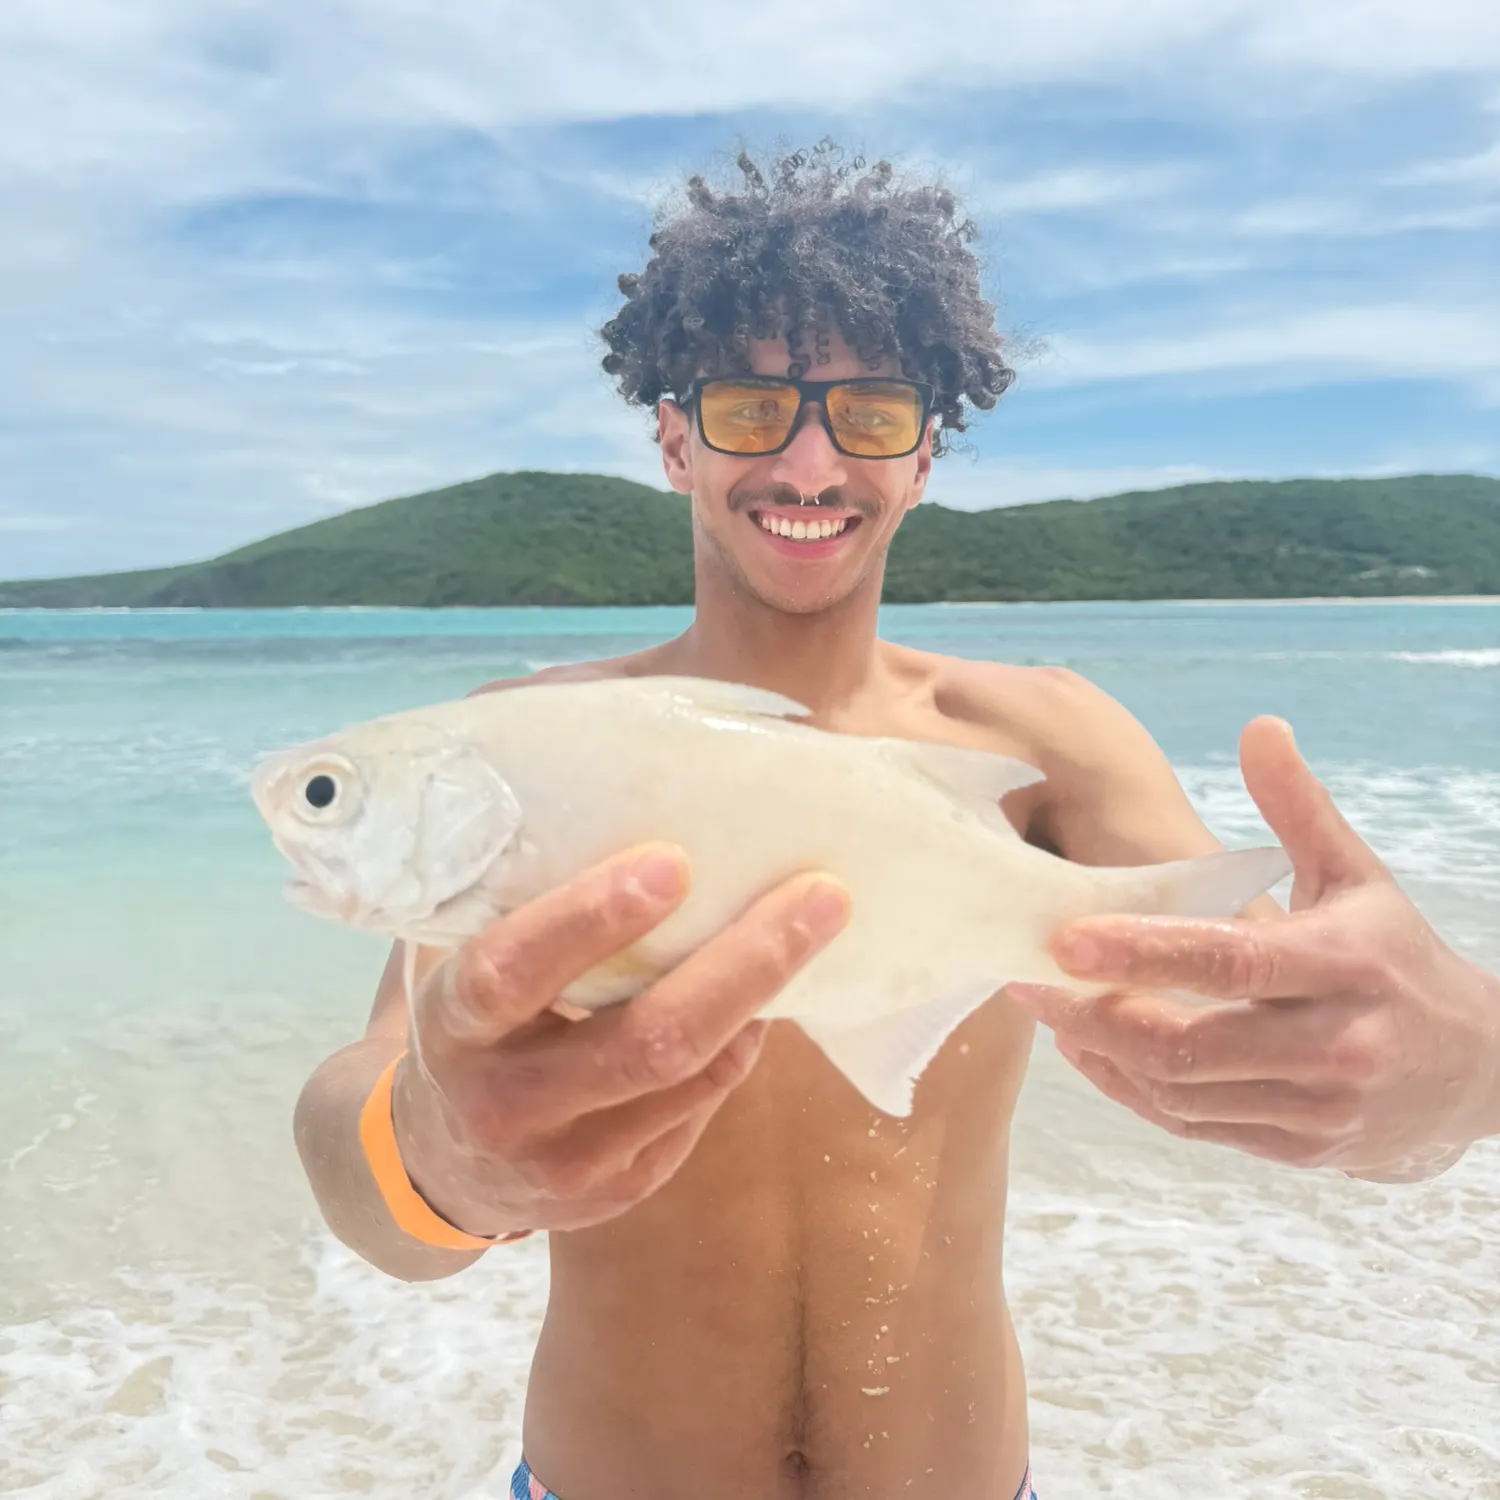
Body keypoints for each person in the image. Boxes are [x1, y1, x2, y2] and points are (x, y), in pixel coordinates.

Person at [292, 144, 1500, 1500]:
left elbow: (1299, 1042)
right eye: (754, 404)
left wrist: (1467, 1061)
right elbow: (370, 1149)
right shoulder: (531, 750)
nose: (810, 461)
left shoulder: (1041, 742)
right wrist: (446, 1162)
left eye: (870, 414)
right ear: (674, 434)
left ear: (925, 453)